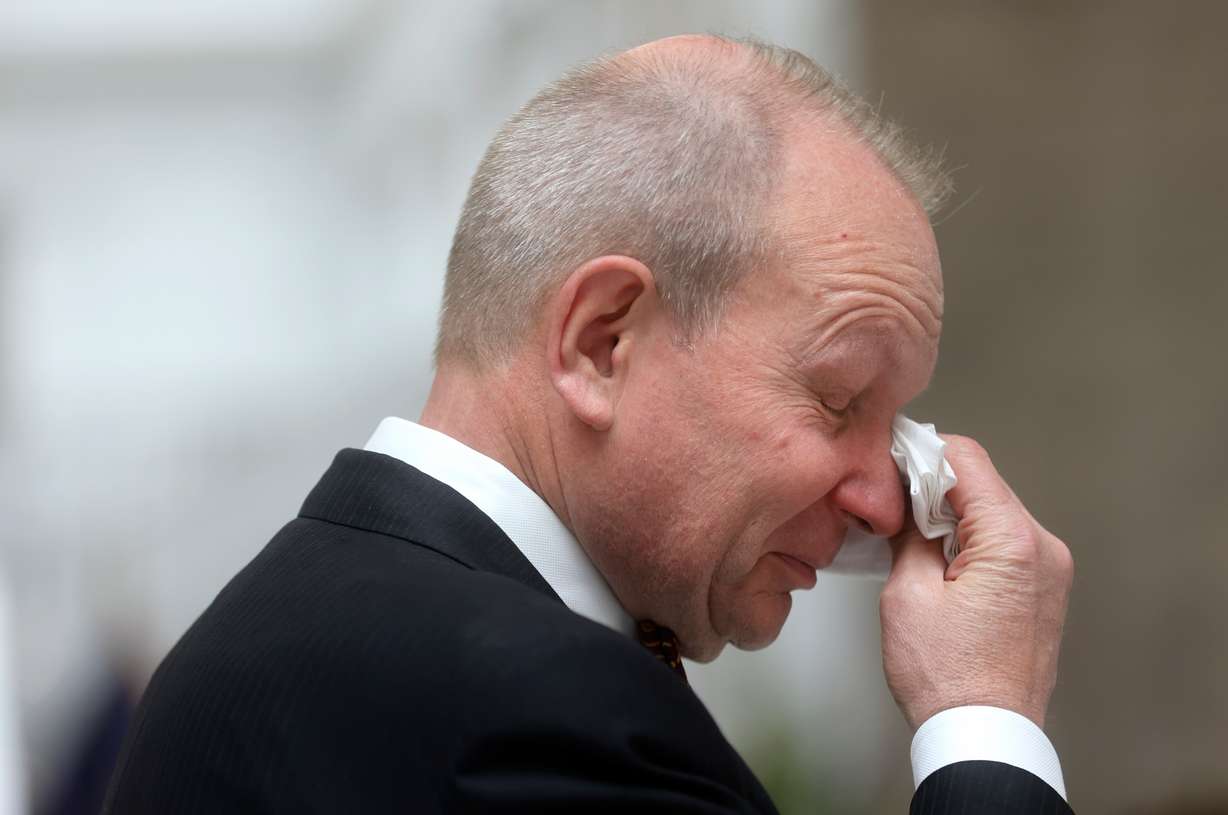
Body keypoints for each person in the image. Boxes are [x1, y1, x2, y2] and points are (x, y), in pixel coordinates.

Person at [104, 35, 1075, 813]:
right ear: (602, 340)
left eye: (894, 424)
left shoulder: (276, 628)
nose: (880, 499)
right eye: (836, 398)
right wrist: (983, 723)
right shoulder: (534, 714)